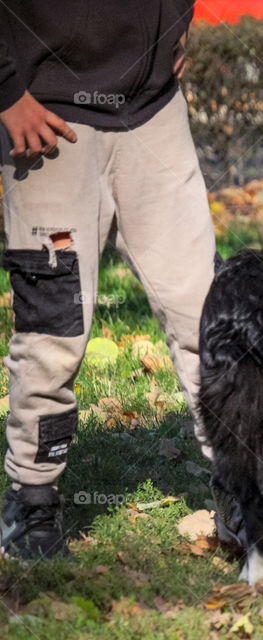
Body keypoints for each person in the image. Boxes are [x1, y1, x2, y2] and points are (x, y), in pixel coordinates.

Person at [0, 1, 217, 559]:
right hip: (45, 118)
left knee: (205, 309)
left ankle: (241, 486)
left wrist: (175, 24)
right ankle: (33, 501)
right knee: (56, 326)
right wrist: (5, 95)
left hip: (154, 112)